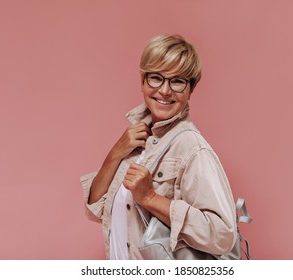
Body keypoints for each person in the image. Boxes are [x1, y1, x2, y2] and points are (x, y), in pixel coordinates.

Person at [80, 34, 237, 259]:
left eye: (177, 81)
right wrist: (115, 153)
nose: (164, 90)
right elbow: (95, 210)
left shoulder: (192, 149)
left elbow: (222, 235)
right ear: (143, 81)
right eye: (156, 78)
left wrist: (151, 198)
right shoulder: (136, 140)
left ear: (190, 89)